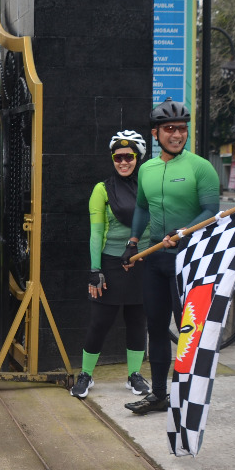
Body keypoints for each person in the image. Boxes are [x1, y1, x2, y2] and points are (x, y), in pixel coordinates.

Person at [122, 98, 220, 416]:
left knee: (188, 329)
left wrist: (184, 231)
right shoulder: (147, 169)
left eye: (181, 129)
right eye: (169, 129)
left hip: (189, 259)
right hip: (156, 259)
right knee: (157, 326)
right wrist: (133, 241)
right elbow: (141, 208)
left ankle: (189, 393)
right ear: (155, 133)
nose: (177, 134)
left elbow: (210, 210)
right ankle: (160, 395)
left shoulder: (200, 167)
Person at [71, 130, 151, 399]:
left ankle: (134, 375)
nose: (124, 162)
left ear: (138, 158)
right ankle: (86, 374)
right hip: (111, 264)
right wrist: (95, 270)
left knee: (137, 321)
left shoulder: (149, 188)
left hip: (142, 262)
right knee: (100, 322)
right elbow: (96, 232)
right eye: (118, 157)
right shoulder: (102, 189)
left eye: (129, 156)